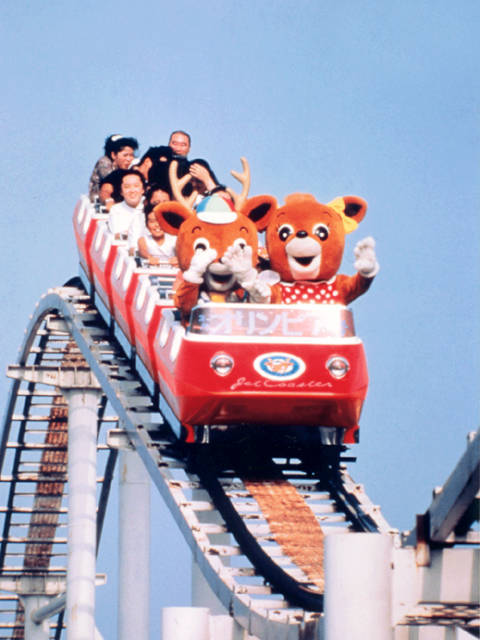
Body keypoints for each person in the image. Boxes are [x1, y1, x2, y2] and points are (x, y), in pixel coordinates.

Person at [88, 134, 139, 201]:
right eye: (125, 155)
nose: (129, 159)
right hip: (98, 200)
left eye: (131, 155)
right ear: (113, 155)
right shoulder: (104, 162)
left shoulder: (128, 165)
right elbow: (115, 181)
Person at [107, 170, 145, 251]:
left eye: (136, 186)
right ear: (121, 192)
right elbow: (119, 235)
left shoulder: (149, 208)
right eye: (127, 187)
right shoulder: (116, 210)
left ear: (143, 189)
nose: (132, 190)